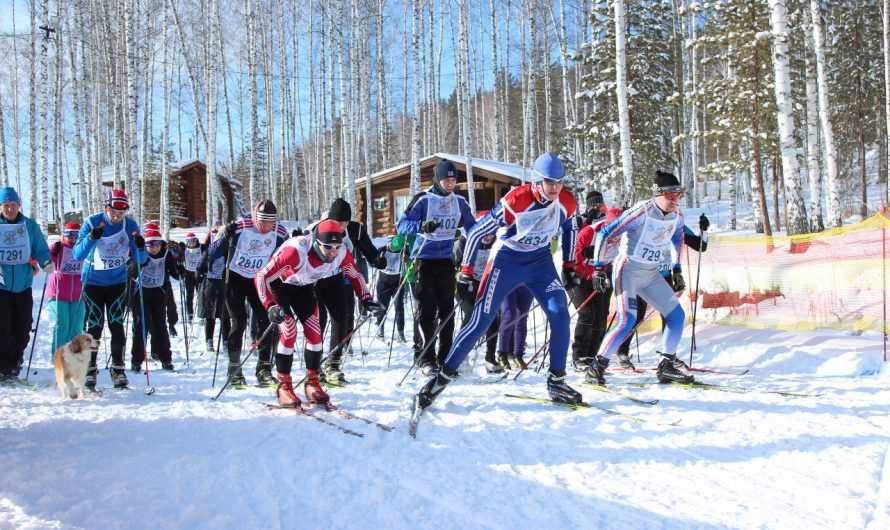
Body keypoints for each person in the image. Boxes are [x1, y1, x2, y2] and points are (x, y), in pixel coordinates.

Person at [413, 152, 582, 412]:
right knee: (481, 320)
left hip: (540, 262)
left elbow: (571, 228)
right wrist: (467, 271)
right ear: (537, 180)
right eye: (550, 182)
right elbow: (479, 230)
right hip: (508, 261)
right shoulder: (517, 200)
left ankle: (557, 381)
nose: (555, 188)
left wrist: (569, 265)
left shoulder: (566, 201)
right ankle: (440, 379)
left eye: (560, 182)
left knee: (560, 314)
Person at [254, 220, 384, 408]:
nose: (333, 251)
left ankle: (312, 383)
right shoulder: (295, 251)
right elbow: (261, 276)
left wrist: (367, 299)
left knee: (315, 335)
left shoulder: (340, 254)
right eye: (328, 247)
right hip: (279, 287)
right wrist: (270, 305)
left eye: (337, 246)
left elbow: (355, 275)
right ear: (316, 242)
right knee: (289, 331)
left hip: (304, 288)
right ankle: (284, 386)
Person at [582, 170, 692, 386]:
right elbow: (606, 234)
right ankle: (596, 367)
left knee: (677, 315)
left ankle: (666, 365)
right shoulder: (641, 212)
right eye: (669, 195)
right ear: (657, 194)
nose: (674, 200)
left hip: (651, 273)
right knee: (627, 320)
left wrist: (676, 268)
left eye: (677, 195)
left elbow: (678, 237)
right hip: (628, 270)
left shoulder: (677, 216)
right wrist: (598, 268)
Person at [396, 160, 476, 375]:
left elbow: (473, 226)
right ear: (437, 179)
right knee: (427, 310)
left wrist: (487, 233)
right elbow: (402, 225)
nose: (450, 184)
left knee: (447, 311)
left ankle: (445, 357)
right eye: (446, 179)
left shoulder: (459, 201)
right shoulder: (423, 199)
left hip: (445, 261)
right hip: (423, 260)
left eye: (453, 180)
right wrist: (421, 226)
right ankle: (426, 358)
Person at [208, 199, 288, 388]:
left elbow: (286, 255)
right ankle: (234, 369)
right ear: (254, 218)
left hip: (259, 280)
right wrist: (223, 237)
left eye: (270, 223)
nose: (266, 227)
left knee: (267, 321)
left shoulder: (280, 233)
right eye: (262, 222)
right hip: (236, 279)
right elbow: (212, 253)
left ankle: (264, 369)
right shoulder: (240, 227)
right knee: (239, 321)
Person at [614, 213, 710, 368]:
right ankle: (622, 351)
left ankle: (668, 356)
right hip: (643, 274)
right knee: (636, 315)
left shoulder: (677, 225)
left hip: (663, 276)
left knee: (670, 315)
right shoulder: (648, 223)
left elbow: (701, 246)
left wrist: (704, 230)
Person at [74, 189, 147, 390]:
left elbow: (141, 261)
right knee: (94, 326)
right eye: (114, 212)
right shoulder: (92, 222)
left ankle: (118, 369)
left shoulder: (130, 225)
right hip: (93, 282)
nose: (117, 217)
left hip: (117, 281)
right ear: (106, 208)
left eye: (121, 213)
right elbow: (78, 255)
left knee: (116, 324)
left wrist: (141, 248)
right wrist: (90, 238)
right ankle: (90, 369)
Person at [313, 198, 386, 384]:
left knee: (344, 320)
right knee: (317, 322)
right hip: (316, 280)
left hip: (341, 277)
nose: (342, 226)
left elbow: (368, 249)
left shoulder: (355, 229)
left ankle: (333, 364)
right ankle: (314, 365)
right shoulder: (320, 228)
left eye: (345, 222)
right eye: (339, 222)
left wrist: (377, 259)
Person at [0, 187, 52, 383]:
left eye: (13, 205)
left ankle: (15, 360)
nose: (10, 209)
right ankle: (5, 367)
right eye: (6, 205)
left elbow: (40, 247)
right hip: (2, 285)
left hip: (23, 284)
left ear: (19, 205)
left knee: (23, 327)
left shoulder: (29, 225)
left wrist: (45, 261)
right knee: (2, 327)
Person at [570, 191, 618, 371]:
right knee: (587, 313)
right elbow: (571, 255)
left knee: (601, 315)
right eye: (593, 205)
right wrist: (585, 253)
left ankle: (593, 354)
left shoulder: (613, 226)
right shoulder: (586, 226)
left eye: (600, 205)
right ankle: (579, 355)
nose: (597, 208)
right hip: (579, 275)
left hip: (601, 274)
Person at [453, 222, 501, 373]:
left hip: (486, 283)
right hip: (465, 283)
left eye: (492, 233)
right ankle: (460, 355)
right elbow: (451, 261)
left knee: (493, 316)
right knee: (470, 314)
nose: (488, 237)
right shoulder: (466, 240)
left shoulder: (498, 243)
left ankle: (490, 358)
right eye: (486, 233)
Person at [129, 230, 180, 372]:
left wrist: (179, 261)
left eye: (157, 245)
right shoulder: (142, 253)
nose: (154, 248)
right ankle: (137, 360)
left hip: (159, 292)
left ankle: (166, 358)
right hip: (141, 293)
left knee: (161, 326)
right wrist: (140, 260)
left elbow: (175, 272)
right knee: (141, 326)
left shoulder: (165, 253)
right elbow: (131, 271)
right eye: (150, 245)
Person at [48, 223, 86, 354]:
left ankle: (74, 356)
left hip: (78, 294)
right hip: (58, 293)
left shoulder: (83, 248)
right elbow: (47, 262)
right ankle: (58, 357)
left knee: (76, 328)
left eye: (76, 236)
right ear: (64, 235)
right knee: (62, 326)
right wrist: (53, 253)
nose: (73, 240)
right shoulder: (58, 247)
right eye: (70, 236)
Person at [198, 225, 229, 353]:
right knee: (210, 316)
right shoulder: (210, 251)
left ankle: (226, 341)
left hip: (224, 287)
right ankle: (209, 341)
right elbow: (199, 268)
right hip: (210, 286)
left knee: (225, 317)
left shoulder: (229, 252)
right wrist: (201, 274)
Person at [374, 231, 407, 343]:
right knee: (382, 307)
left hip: (397, 282)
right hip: (384, 282)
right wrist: (378, 260)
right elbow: (372, 262)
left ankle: (400, 333)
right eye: (392, 241)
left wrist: (406, 259)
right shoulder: (382, 249)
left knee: (399, 308)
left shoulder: (403, 250)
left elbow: (410, 258)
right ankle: (380, 331)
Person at [496, 284, 534, 369]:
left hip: (526, 284)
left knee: (522, 318)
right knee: (509, 315)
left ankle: (518, 356)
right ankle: (502, 355)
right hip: (508, 282)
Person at [180, 232, 202, 323]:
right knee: (189, 295)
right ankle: (190, 314)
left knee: (201, 295)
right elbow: (177, 256)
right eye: (189, 242)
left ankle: (201, 314)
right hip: (188, 274)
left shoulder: (201, 247)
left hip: (199, 274)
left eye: (193, 241)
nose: (191, 243)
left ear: (196, 241)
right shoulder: (184, 249)